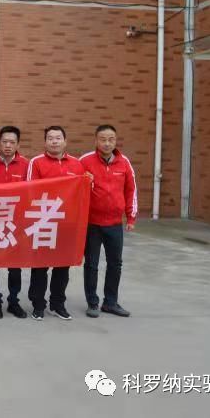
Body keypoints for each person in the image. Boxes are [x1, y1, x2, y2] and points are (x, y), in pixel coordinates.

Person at [26, 125, 85, 321]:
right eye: (50, 138)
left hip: (67, 223)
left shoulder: (77, 164)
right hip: (44, 221)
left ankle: (58, 304)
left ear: (65, 141)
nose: (54, 141)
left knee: (62, 266)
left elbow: (81, 192)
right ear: (45, 142)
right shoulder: (36, 162)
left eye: (58, 138)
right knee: (40, 266)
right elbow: (29, 190)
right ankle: (38, 305)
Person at [80, 124, 137, 318]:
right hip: (91, 223)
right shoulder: (85, 161)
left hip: (114, 223)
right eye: (103, 139)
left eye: (111, 139)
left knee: (115, 264)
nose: (107, 143)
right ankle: (92, 303)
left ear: (116, 140)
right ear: (96, 141)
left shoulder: (124, 163)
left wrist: (131, 216)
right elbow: (75, 186)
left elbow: (131, 190)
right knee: (91, 264)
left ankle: (110, 302)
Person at [0, 125, 29, 319]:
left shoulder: (26, 164)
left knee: (15, 266)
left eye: (12, 142)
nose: (8, 145)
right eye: (4, 142)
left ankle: (13, 301)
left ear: (18, 144)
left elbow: (31, 191)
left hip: (15, 223)